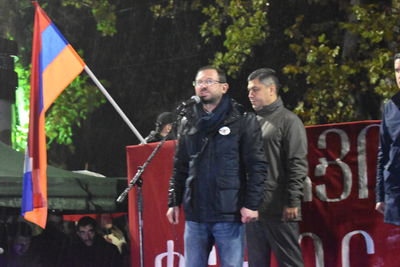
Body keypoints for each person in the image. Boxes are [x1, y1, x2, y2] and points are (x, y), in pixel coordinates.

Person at [166, 65, 268, 267]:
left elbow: (257, 166)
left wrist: (251, 204)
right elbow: (180, 165)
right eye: (199, 82)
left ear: (224, 87)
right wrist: (173, 200)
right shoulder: (187, 121)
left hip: (228, 213)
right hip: (196, 214)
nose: (203, 86)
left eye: (209, 81)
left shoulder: (242, 120)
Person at [246, 68, 308, 267]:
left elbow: (297, 163)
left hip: (280, 209)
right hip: (254, 210)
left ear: (271, 89)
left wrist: (292, 201)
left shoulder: (289, 121)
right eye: (249, 90)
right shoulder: (250, 122)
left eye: (255, 89)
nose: (250, 95)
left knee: (290, 263)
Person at [375, 53, 400, 225]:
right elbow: (383, 153)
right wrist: (380, 195)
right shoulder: (390, 108)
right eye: (397, 70)